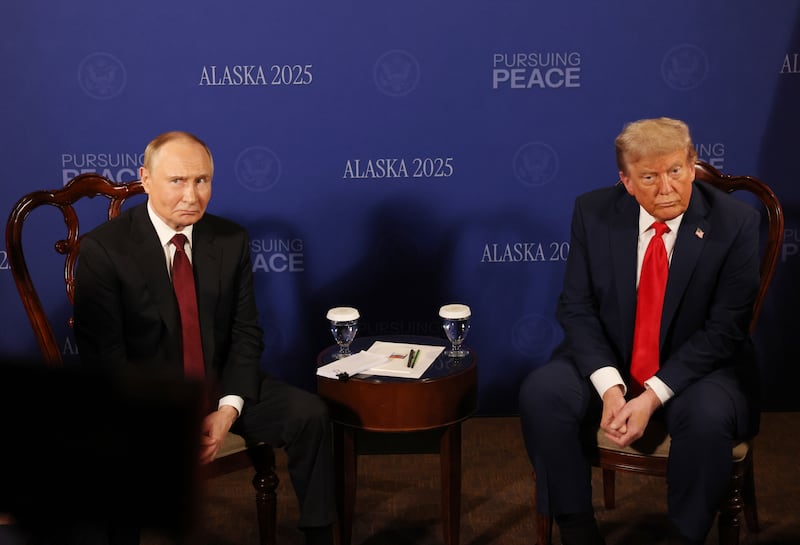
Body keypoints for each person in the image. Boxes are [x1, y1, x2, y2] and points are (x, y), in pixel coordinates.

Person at [73, 131, 335, 545]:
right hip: (144, 401)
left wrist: (228, 410)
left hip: (218, 385)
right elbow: (106, 361)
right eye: (177, 181)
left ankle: (319, 537)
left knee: (310, 414)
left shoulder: (230, 239)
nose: (192, 196)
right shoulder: (104, 250)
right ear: (145, 179)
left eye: (202, 181)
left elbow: (246, 332)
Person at [518, 118, 760, 545]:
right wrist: (612, 389)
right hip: (613, 356)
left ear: (692, 164)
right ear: (626, 181)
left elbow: (724, 331)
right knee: (543, 393)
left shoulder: (735, 223)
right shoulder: (593, 212)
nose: (666, 188)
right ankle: (577, 530)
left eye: (676, 171)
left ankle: (684, 537)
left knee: (706, 420)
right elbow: (576, 307)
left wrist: (651, 396)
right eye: (649, 177)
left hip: (701, 368)